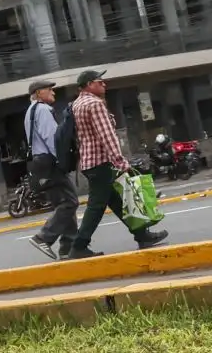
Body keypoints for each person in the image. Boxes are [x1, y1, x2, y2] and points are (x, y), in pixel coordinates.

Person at [65, 69, 168, 259]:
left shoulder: (78, 103)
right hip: (100, 162)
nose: (104, 84)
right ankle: (79, 246)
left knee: (117, 202)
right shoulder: (94, 104)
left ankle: (142, 235)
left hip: (89, 161)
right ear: (89, 85)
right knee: (96, 206)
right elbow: (107, 136)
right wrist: (120, 161)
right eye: (100, 82)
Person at [21, 79, 78, 260]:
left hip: (40, 163)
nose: (53, 92)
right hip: (50, 161)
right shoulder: (43, 110)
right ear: (38, 93)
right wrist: (63, 160)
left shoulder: (30, 111)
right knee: (70, 202)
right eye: (49, 90)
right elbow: (52, 138)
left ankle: (68, 247)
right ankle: (43, 237)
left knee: (63, 203)